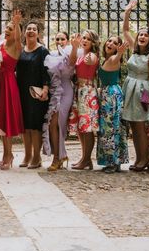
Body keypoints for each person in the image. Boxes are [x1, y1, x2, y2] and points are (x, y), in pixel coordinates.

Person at [121, 1, 149, 172]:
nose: (142, 37)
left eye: (145, 35)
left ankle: (145, 159)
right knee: (133, 127)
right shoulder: (133, 50)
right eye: (140, 35)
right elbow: (126, 30)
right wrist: (127, 12)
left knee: (141, 127)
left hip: (142, 92)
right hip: (129, 89)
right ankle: (138, 158)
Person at [0, 10, 24, 169]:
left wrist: (16, 23)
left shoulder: (17, 47)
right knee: (0, 120)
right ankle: (6, 153)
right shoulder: (1, 44)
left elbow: (18, 38)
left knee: (7, 120)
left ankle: (8, 155)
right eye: (7, 28)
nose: (8, 31)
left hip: (8, 84)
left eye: (11, 29)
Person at [16, 21, 50, 169]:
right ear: (24, 33)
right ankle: (27, 155)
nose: (30, 31)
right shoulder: (21, 51)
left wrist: (45, 89)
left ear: (38, 33)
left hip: (36, 92)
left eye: (34, 29)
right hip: (22, 91)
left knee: (35, 125)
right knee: (25, 125)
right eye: (28, 29)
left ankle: (37, 157)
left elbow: (46, 72)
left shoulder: (43, 51)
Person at [96, 36, 130, 173]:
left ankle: (112, 161)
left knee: (110, 127)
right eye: (109, 41)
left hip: (111, 96)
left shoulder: (113, 59)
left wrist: (120, 52)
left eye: (115, 43)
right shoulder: (106, 59)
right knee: (113, 127)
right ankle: (116, 160)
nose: (110, 43)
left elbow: (116, 59)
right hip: (108, 94)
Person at [68, 30, 100, 170]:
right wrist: (74, 47)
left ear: (93, 42)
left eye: (88, 39)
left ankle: (87, 159)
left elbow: (93, 60)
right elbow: (71, 62)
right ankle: (84, 158)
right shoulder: (81, 54)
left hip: (87, 92)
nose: (85, 40)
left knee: (87, 128)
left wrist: (90, 59)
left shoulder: (91, 55)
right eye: (84, 38)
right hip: (79, 90)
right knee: (81, 128)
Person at [43, 32, 73, 171]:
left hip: (66, 91)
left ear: (67, 41)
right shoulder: (51, 55)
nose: (60, 41)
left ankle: (58, 158)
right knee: (51, 125)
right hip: (54, 92)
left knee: (58, 123)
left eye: (62, 39)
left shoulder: (71, 53)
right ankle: (60, 156)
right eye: (57, 39)